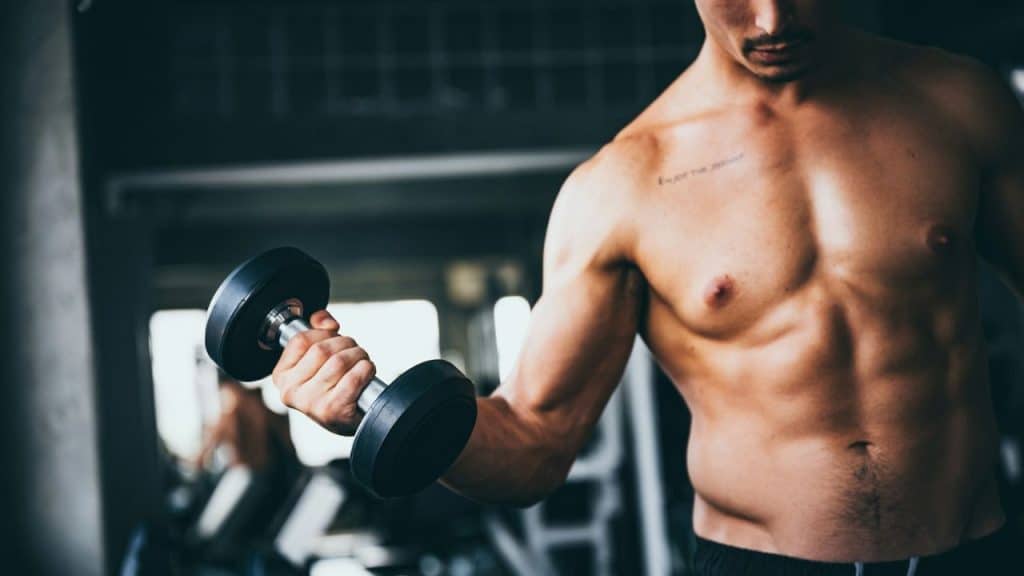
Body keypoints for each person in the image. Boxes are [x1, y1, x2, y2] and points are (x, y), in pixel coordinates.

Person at [269, 1, 1024, 573]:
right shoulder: (622, 186)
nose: (771, 19)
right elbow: (534, 442)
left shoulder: (960, 103)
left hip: (980, 551)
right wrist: (376, 412)